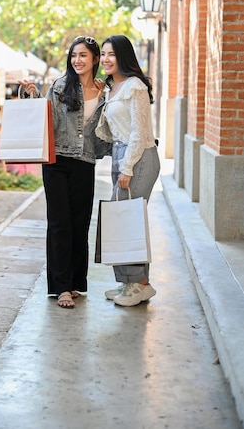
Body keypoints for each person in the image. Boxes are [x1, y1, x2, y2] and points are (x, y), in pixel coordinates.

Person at [19, 36, 110, 309]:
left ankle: (75, 282)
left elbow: (106, 130)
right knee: (60, 223)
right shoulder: (60, 86)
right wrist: (33, 95)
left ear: (95, 59)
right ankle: (62, 288)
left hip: (85, 161)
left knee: (80, 224)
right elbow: (46, 119)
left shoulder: (105, 91)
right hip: (57, 161)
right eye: (73, 55)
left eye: (83, 55)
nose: (77, 61)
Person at [95, 35, 160, 307]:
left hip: (139, 157)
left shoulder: (135, 87)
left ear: (123, 56)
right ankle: (129, 283)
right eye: (103, 54)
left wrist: (128, 167)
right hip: (120, 155)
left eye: (111, 54)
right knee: (120, 218)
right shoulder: (113, 87)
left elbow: (139, 132)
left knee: (128, 219)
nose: (105, 59)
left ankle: (140, 285)